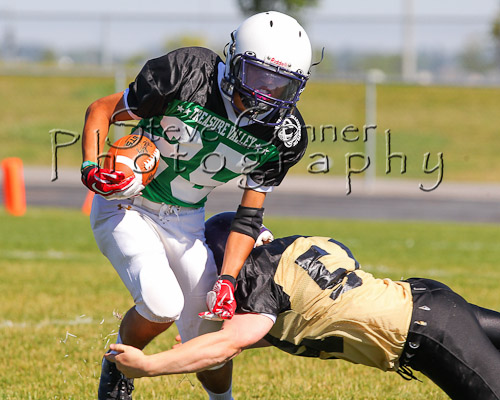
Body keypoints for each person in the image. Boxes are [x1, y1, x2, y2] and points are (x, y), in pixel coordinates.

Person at [80, 11, 313, 400]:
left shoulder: (284, 134)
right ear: (235, 60)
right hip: (128, 206)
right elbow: (101, 109)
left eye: (281, 84)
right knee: (161, 303)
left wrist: (227, 280)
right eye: (258, 75)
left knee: (210, 341)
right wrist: (91, 167)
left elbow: (249, 217)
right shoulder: (188, 73)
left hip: (186, 220)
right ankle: (118, 368)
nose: (267, 92)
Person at [105, 212, 500, 400]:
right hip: (429, 301)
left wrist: (148, 366)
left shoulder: (258, 277)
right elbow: (313, 316)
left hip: (427, 334)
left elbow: (227, 346)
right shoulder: (301, 248)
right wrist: (202, 344)